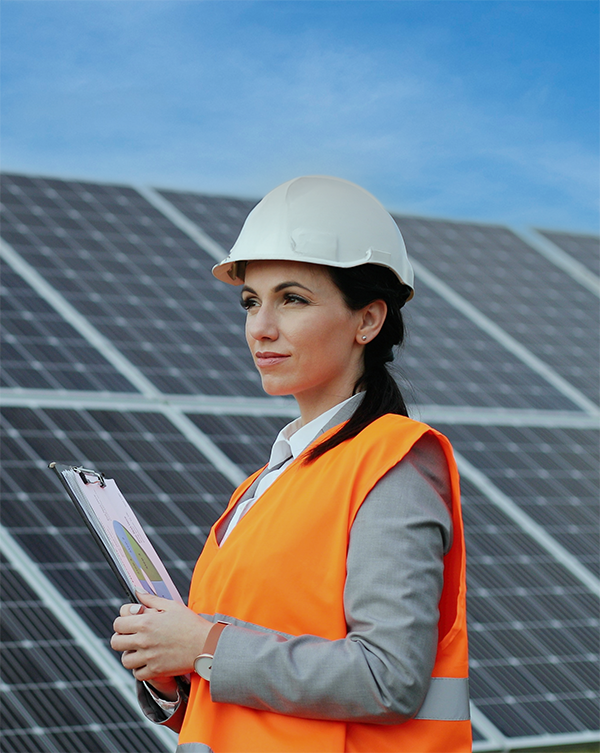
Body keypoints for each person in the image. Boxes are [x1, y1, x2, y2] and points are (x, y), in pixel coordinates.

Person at [111, 176, 471, 753]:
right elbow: (241, 690)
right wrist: (168, 673)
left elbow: (388, 680)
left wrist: (204, 644)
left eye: (293, 299)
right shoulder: (262, 487)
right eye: (252, 302)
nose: (261, 326)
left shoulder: (393, 464)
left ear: (368, 320)